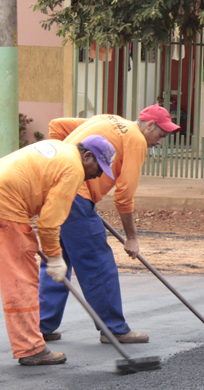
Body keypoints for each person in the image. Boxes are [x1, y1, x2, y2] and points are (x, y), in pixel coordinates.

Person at [38, 105, 179, 345]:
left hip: (55, 190)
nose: (160, 142)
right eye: (161, 135)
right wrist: (131, 237)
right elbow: (123, 196)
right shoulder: (137, 140)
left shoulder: (109, 119)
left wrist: (61, 165)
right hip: (76, 197)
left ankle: (42, 326)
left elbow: (57, 126)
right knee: (97, 263)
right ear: (149, 125)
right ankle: (114, 329)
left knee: (56, 259)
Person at [0, 136, 115, 365]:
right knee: (22, 280)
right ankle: (30, 349)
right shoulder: (73, 169)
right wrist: (55, 257)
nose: (98, 175)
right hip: (6, 207)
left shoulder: (61, 149)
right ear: (87, 156)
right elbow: (49, 222)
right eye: (98, 168)